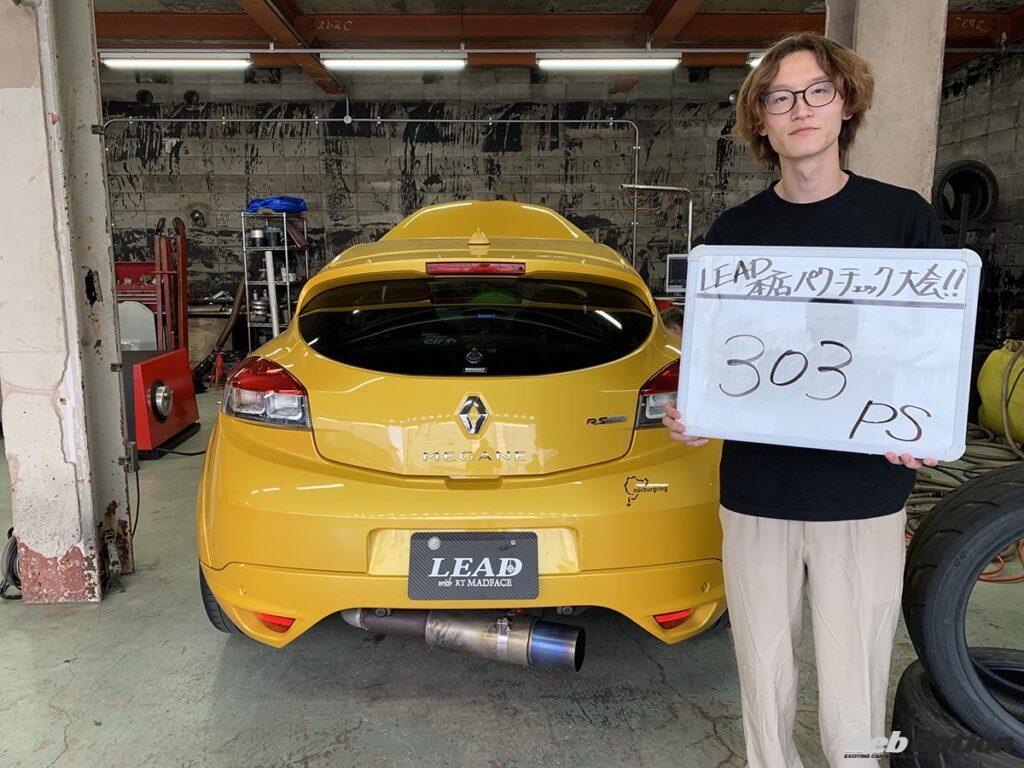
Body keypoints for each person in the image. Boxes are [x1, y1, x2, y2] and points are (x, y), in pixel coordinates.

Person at [662, 32, 942, 768]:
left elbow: (931, 350)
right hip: (759, 491)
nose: (800, 108)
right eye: (779, 97)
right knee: (763, 677)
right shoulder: (734, 237)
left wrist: (927, 421)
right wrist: (695, 411)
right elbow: (715, 362)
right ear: (760, 119)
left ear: (845, 103)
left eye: (817, 90)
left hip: (864, 491)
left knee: (856, 682)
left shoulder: (903, 220)